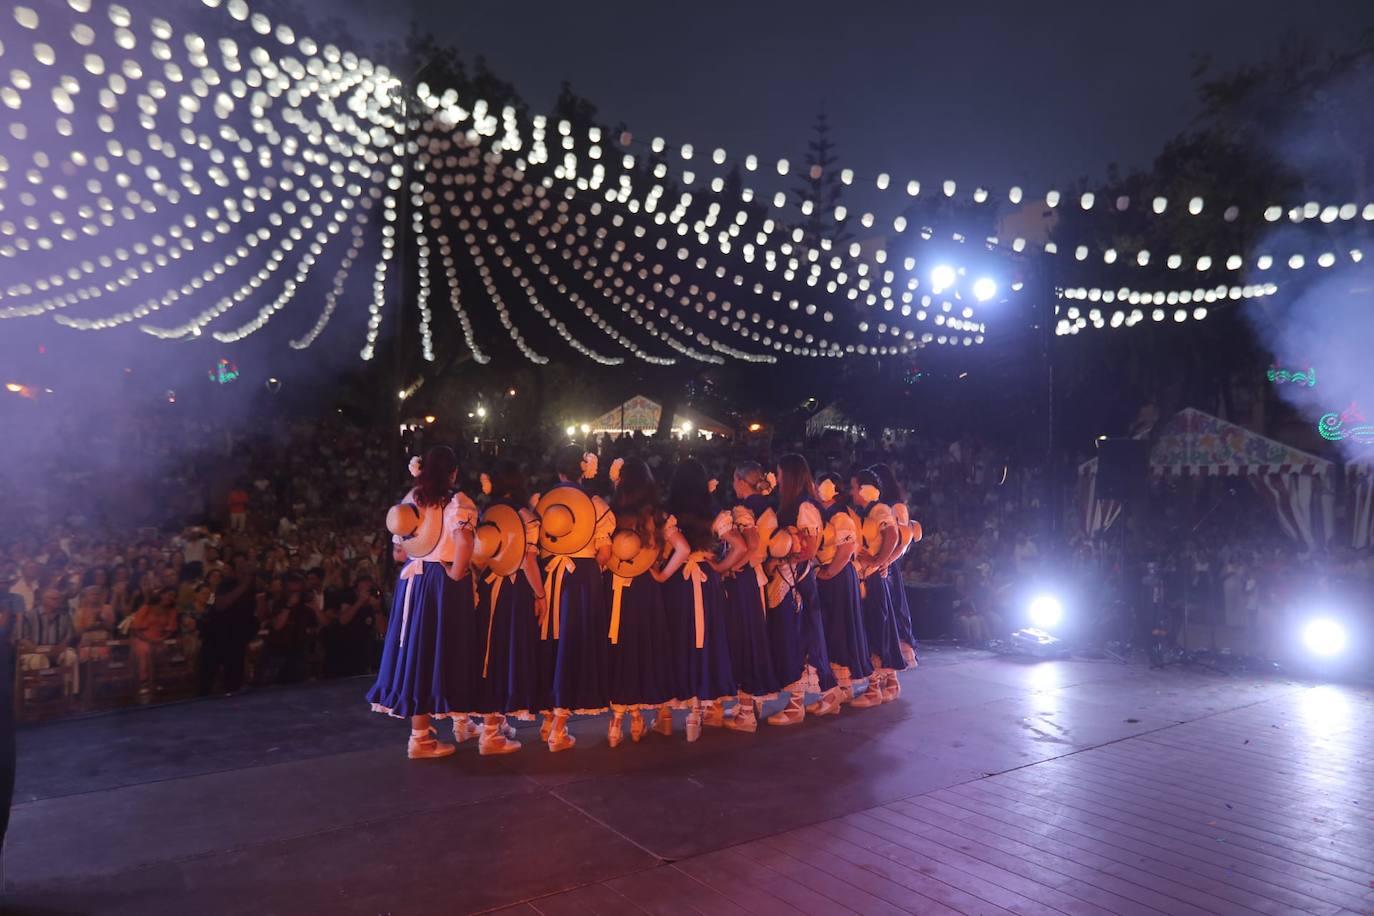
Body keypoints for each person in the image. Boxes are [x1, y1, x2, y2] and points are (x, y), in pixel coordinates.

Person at [367, 447, 482, 760]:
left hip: (412, 580)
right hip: (440, 582)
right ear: (453, 473)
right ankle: (430, 735)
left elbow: (399, 553)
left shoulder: (411, 500)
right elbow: (465, 542)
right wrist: (457, 573)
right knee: (438, 650)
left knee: (417, 649)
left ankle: (422, 734)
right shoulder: (458, 503)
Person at [535, 445, 615, 752]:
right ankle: (558, 726)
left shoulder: (544, 501)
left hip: (548, 574)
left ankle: (547, 720)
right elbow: (604, 552)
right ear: (585, 469)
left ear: (559, 471)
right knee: (573, 644)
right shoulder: (595, 504)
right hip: (581, 575)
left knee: (549, 642)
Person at [657, 458, 735, 742]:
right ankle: (696, 713)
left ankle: (664, 714)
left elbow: (675, 549)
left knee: (675, 640)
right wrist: (720, 566)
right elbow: (739, 546)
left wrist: (663, 575)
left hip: (678, 582)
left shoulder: (669, 516)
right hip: (705, 579)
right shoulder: (714, 514)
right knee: (704, 638)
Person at [472, 461, 545, 756]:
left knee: (490, 651)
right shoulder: (525, 516)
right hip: (514, 591)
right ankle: (490, 732)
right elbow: (528, 561)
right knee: (504, 652)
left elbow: (477, 557)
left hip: (489, 585)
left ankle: (494, 722)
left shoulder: (484, 514)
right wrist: (540, 595)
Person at [604, 458, 675, 746]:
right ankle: (636, 719)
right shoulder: (656, 516)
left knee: (619, 649)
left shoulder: (612, 514)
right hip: (646, 586)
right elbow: (675, 549)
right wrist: (661, 573)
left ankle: (617, 720)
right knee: (642, 649)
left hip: (616, 586)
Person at [766, 454, 839, 725]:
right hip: (790, 576)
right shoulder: (795, 505)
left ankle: (797, 703)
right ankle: (827, 693)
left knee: (797, 635)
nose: (778, 478)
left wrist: (780, 557)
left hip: (796, 578)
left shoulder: (805, 507)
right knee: (802, 634)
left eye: (781, 473)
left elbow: (809, 548)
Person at [715, 461, 780, 733]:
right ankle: (750, 705)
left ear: (740, 481)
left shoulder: (744, 508)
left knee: (744, 640)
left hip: (744, 579)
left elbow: (750, 544)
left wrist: (727, 565)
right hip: (756, 576)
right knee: (752, 638)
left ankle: (746, 713)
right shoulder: (769, 506)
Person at [814, 473, 878, 707]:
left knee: (842, 627)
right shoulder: (828, 514)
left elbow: (848, 546)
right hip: (833, 575)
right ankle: (842, 687)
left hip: (838, 576)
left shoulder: (840, 515)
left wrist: (828, 572)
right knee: (834, 628)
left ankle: (850, 684)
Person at [850, 468, 905, 703]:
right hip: (868, 576)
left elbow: (893, 536)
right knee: (875, 626)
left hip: (871, 577)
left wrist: (878, 561)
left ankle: (875, 688)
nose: (851, 492)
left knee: (874, 628)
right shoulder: (865, 511)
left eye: (853, 487)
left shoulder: (879, 510)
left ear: (864, 489)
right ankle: (886, 682)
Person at [872, 463, 920, 668]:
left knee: (892, 612)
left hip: (888, 567)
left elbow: (904, 540)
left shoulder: (896, 506)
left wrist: (886, 561)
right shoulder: (877, 507)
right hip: (880, 564)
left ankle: (893, 668)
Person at [200, 553, 262, 696]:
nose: (245, 571)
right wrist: (244, 584)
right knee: (207, 677)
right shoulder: (227, 583)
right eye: (241, 567)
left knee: (233, 679)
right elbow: (220, 605)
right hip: (216, 635)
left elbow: (258, 612)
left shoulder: (254, 586)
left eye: (247, 567)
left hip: (237, 636)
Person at [17, 587, 80, 700]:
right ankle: (31, 697)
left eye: (59, 599)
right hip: (34, 651)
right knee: (37, 660)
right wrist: (39, 650)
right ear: (44, 600)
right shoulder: (29, 615)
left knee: (71, 656)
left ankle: (70, 695)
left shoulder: (65, 616)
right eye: (54, 599)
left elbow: (69, 636)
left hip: (57, 649)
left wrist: (60, 648)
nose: (58, 601)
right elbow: (22, 638)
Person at [130, 588, 180, 699]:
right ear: (161, 595)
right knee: (145, 650)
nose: (170, 597)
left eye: (173, 596)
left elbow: (171, 630)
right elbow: (135, 629)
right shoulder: (146, 608)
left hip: (160, 638)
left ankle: (158, 681)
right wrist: (149, 640)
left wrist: (161, 639)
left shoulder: (172, 611)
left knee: (161, 650)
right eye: (168, 594)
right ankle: (144, 682)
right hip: (142, 638)